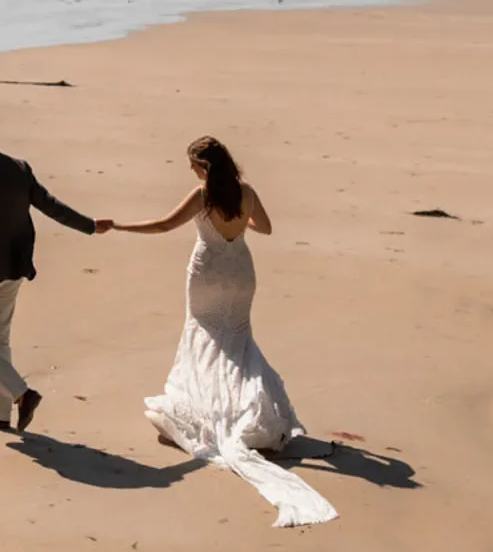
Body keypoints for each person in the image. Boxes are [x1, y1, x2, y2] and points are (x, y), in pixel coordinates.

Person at [114, 135, 335, 526]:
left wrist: (118, 225)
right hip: (241, 272)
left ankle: (215, 412)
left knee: (206, 338)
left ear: (205, 167)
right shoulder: (245, 191)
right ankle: (248, 410)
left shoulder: (203, 196)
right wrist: (241, 219)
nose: (192, 171)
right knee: (236, 341)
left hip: (208, 272)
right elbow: (263, 228)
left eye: (194, 165)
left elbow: (165, 225)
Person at [0, 109, 112, 433]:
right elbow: (50, 204)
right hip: (15, 263)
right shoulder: (19, 168)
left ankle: (21, 393)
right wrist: (89, 226)